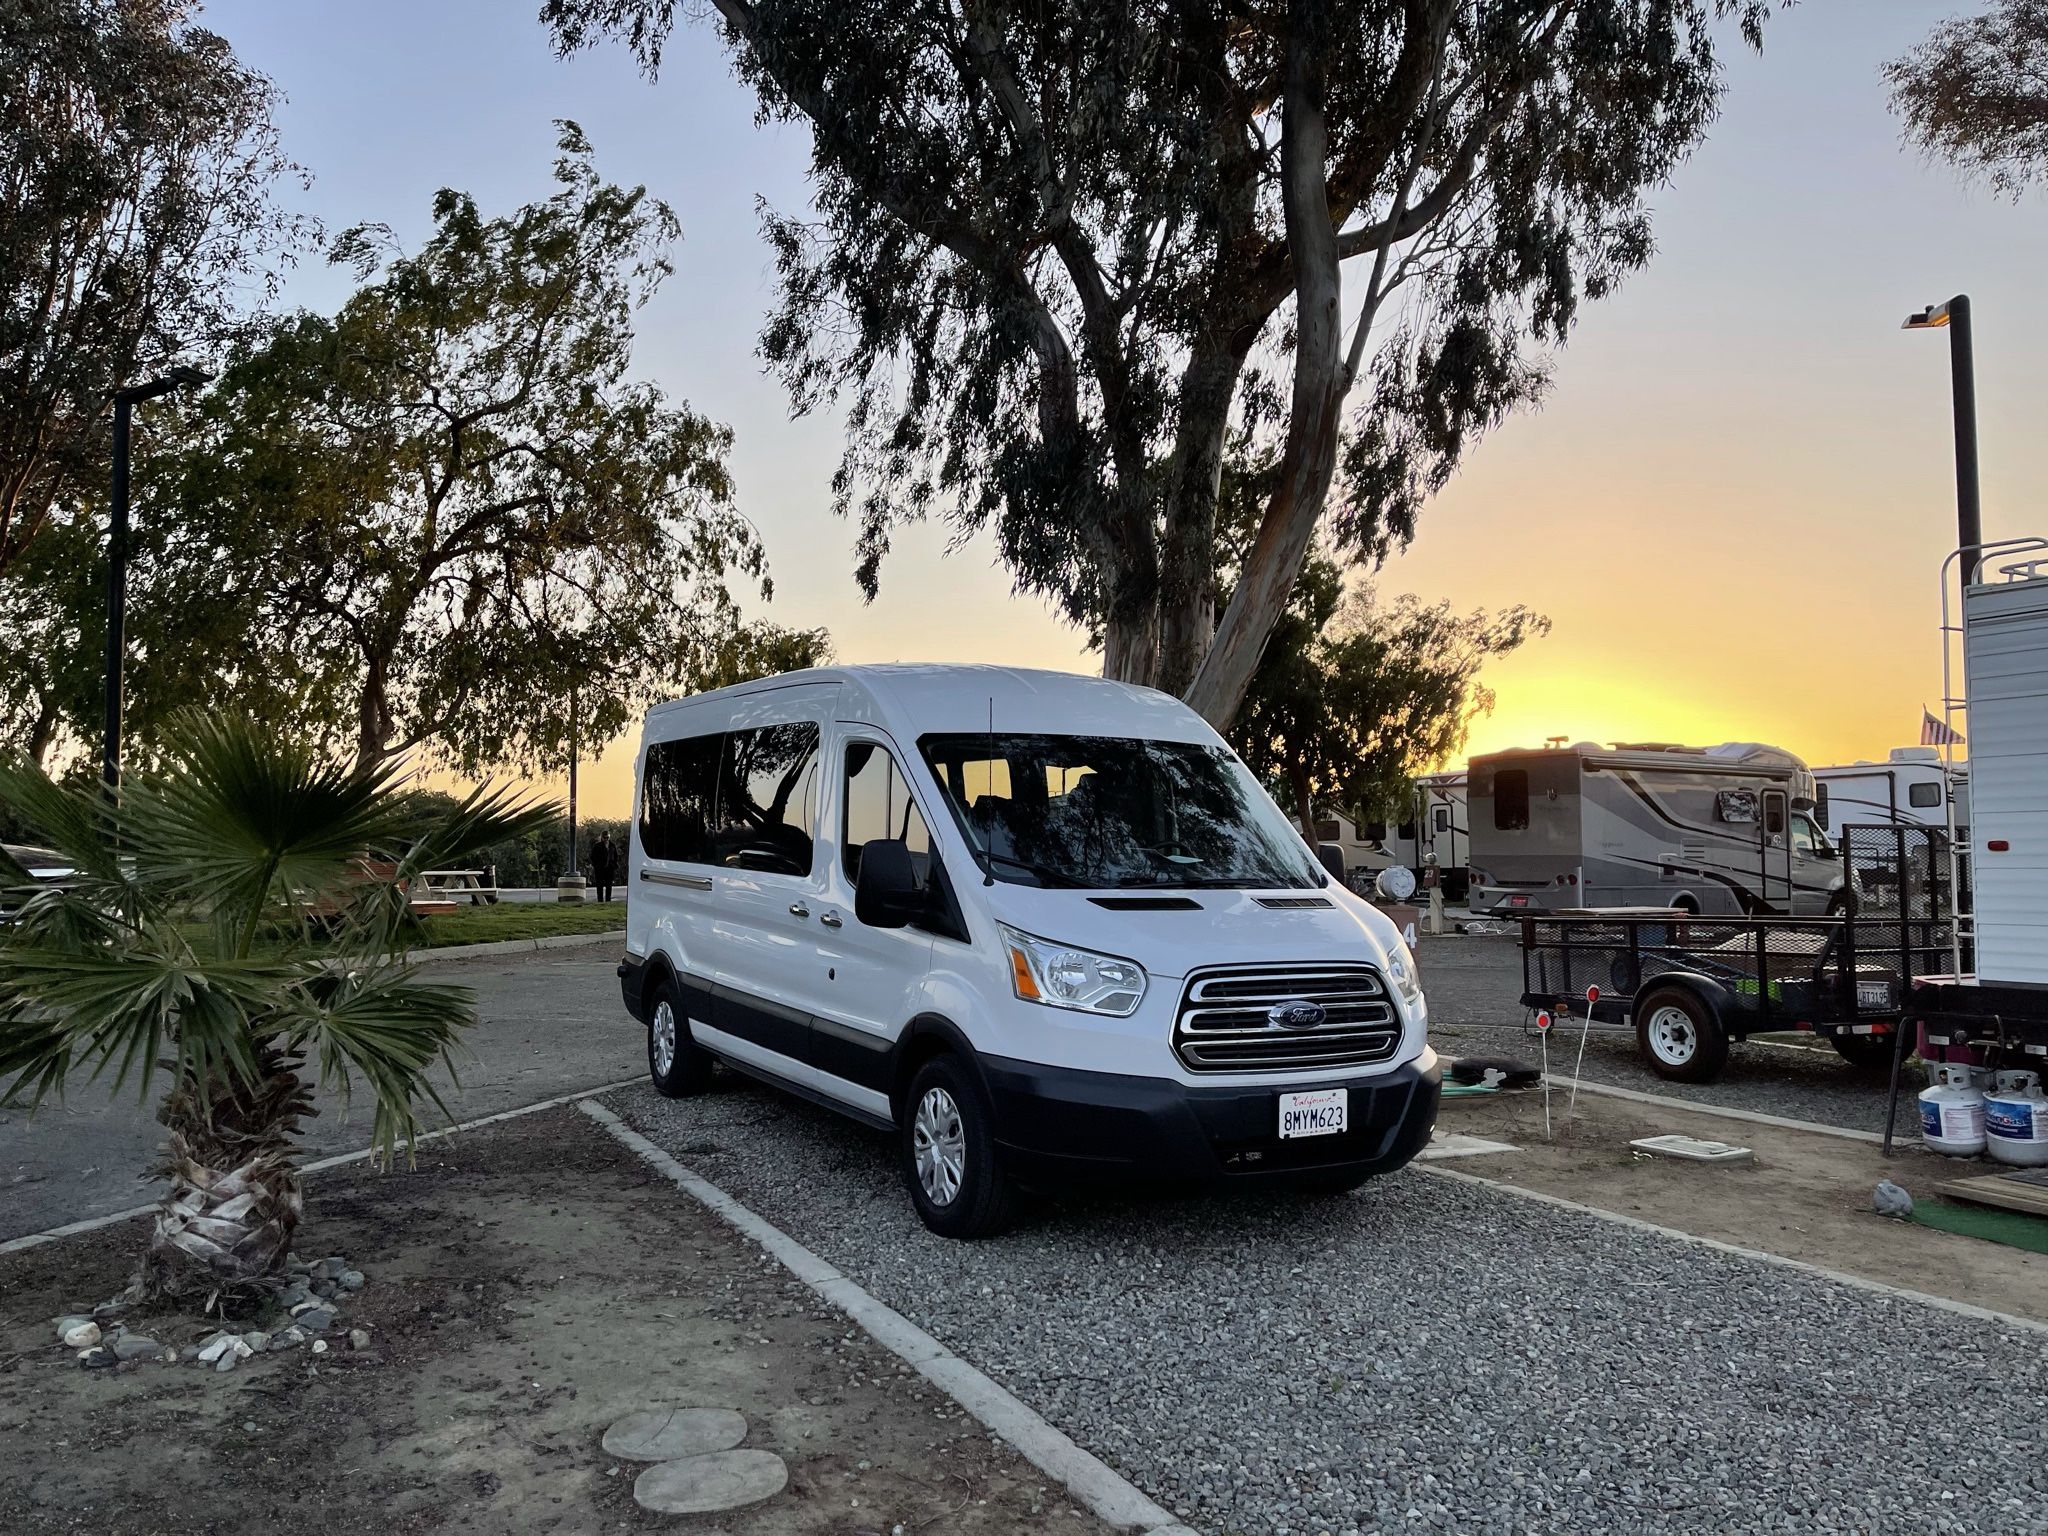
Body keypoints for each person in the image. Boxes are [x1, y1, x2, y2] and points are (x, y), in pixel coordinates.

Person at [591, 831, 619, 903]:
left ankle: (608, 900)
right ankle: (600, 900)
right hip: (600, 868)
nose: (606, 839)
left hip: (610, 868)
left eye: (607, 837)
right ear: (602, 837)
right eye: (604, 838)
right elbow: (593, 857)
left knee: (609, 885)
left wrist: (614, 864)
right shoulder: (597, 846)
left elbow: (616, 856)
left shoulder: (612, 845)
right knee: (599, 885)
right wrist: (596, 865)